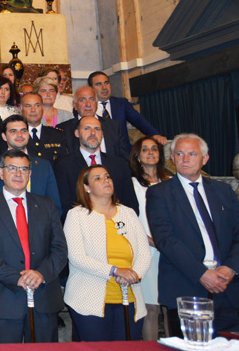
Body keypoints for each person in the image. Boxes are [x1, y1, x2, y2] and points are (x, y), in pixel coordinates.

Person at [147, 133, 239, 335]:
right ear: (172, 158)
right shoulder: (159, 193)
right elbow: (166, 240)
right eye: (179, 153)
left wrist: (230, 268)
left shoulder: (224, 191)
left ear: (205, 159)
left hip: (229, 288)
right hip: (187, 288)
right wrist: (202, 274)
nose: (185, 159)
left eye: (192, 154)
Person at [0, 150, 67, 343]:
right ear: (1, 173)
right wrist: (15, 278)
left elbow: (60, 249)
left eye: (24, 169)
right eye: (12, 168)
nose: (18, 174)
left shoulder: (46, 205)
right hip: (3, 300)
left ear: (30, 174)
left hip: (43, 298)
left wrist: (41, 274)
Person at [64, 165, 151, 341]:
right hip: (88, 299)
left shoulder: (129, 213)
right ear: (86, 187)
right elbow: (77, 257)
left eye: (108, 176)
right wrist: (115, 270)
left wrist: (135, 275)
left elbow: (144, 253)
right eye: (98, 178)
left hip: (130, 297)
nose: (106, 180)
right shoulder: (76, 215)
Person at [53, 116, 139, 217]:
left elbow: (131, 203)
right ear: (77, 133)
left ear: (102, 134)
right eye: (87, 128)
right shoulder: (63, 165)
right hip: (81, 226)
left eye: (97, 129)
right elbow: (64, 205)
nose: (93, 133)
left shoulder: (119, 164)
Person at [130, 137, 172, 340]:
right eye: (145, 149)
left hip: (172, 251)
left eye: (154, 149)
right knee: (151, 308)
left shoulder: (171, 182)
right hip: (147, 249)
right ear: (137, 156)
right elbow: (130, 218)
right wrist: (149, 240)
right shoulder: (132, 184)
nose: (150, 152)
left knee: (172, 309)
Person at [0, 116, 63, 216]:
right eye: (13, 131)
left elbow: (54, 206)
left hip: (40, 226)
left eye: (23, 130)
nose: (19, 135)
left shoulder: (44, 165)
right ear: (4, 136)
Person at [88, 71, 167, 146]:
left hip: (123, 153)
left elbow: (138, 119)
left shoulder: (121, 104)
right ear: (91, 88)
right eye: (98, 84)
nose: (104, 87)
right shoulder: (87, 107)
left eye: (106, 83)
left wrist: (154, 134)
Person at [57, 86, 130, 161]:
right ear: (74, 105)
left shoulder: (114, 126)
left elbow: (124, 158)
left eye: (92, 99)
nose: (88, 104)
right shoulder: (63, 129)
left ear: (97, 103)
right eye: (82, 100)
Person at [20, 92, 68, 162]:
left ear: (42, 109)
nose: (33, 110)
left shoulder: (57, 135)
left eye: (37, 105)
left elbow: (64, 164)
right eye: (28, 106)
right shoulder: (16, 135)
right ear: (21, 110)